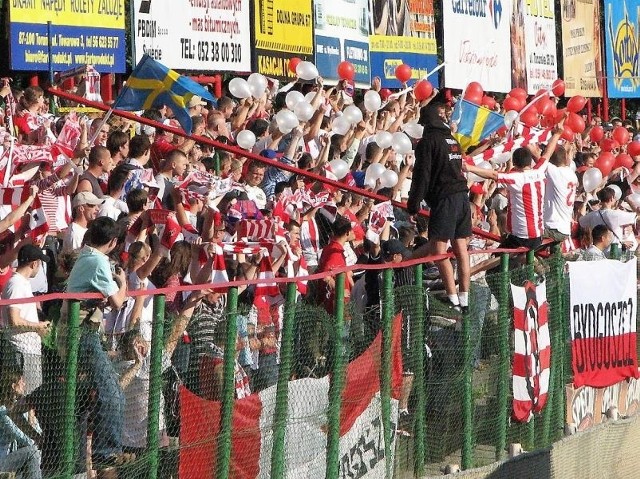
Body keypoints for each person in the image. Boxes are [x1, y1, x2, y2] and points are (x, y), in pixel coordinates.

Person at [59, 216, 130, 476]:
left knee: (88, 402)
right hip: (82, 334)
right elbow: (118, 302)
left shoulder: (87, 256)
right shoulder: (98, 260)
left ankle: (88, 461)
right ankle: (105, 453)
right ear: (112, 242)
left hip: (80, 333)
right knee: (113, 395)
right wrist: (124, 283)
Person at [408, 102, 471, 312]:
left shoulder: (428, 142)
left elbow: (422, 175)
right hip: (462, 197)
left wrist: (413, 204)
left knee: (438, 250)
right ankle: (465, 298)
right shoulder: (451, 140)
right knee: (461, 249)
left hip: (445, 199)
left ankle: (452, 299)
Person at [464, 125, 563, 251]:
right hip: (537, 234)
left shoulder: (516, 179)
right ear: (529, 162)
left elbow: (493, 174)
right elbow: (547, 154)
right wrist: (557, 134)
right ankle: (537, 265)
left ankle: (537, 267)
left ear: (515, 164)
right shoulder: (539, 171)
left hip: (522, 236)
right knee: (520, 260)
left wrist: (470, 168)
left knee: (496, 263)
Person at [1, 245, 51, 394]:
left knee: (29, 397)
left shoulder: (21, 283)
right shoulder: (16, 284)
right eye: (40, 263)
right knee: (23, 397)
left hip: (28, 350)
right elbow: (14, 320)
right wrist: (37, 326)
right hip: (23, 350)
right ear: (34, 263)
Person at [0, 370, 42, 479]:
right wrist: (37, 439)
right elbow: (26, 439)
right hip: (2, 461)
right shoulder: (3, 411)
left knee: (34, 452)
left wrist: (31, 417)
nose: (24, 384)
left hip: (11, 457)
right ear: (14, 386)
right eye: (22, 381)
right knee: (33, 452)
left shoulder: (17, 407)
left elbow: (38, 432)